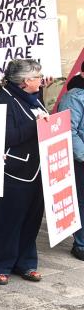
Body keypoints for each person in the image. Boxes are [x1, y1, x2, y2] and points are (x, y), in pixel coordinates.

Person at [0, 59, 48, 285]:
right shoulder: (2, 100)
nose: (41, 80)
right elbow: (5, 137)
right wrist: (35, 125)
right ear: (25, 81)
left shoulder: (34, 97)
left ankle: (26, 262)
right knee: (7, 221)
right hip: (14, 170)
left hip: (37, 169)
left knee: (31, 220)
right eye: (38, 77)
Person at [57, 65, 84, 260]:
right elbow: (68, 130)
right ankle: (81, 244)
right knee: (82, 202)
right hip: (81, 159)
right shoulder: (74, 97)